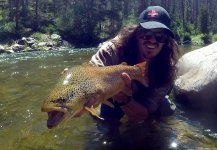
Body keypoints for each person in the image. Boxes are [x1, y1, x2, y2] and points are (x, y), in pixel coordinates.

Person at [78, 6, 179, 125]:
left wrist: (124, 99)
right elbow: (91, 71)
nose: (152, 40)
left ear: (166, 41)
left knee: (165, 110)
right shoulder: (113, 49)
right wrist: (76, 84)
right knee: (101, 117)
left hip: (144, 98)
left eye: (160, 36)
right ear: (137, 34)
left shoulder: (167, 68)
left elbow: (142, 115)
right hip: (113, 96)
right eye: (146, 34)